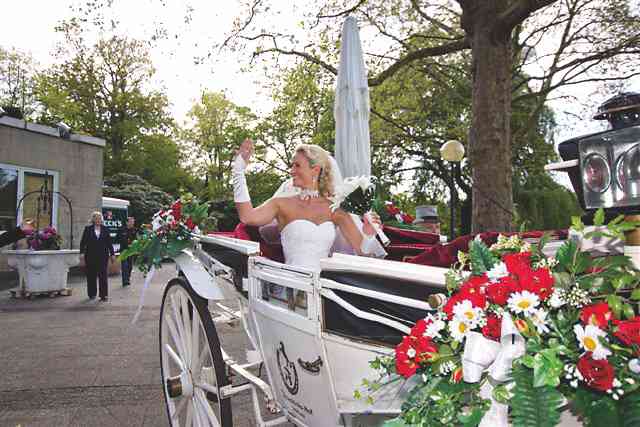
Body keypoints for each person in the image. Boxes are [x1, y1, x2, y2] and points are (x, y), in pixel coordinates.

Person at [233, 138, 384, 275]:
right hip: (291, 286)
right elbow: (247, 216)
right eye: (292, 165)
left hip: (323, 290)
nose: (291, 171)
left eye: (297, 165)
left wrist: (369, 235)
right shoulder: (281, 203)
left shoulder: (335, 210)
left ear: (315, 170)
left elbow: (364, 255)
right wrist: (238, 171)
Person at [80, 211, 115, 302]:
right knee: (91, 275)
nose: (98, 220)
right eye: (96, 218)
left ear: (101, 219)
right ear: (93, 219)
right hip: (90, 256)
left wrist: (112, 254)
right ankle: (92, 293)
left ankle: (103, 295)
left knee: (103, 276)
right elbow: (83, 243)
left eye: (99, 218)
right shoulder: (88, 229)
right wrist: (82, 254)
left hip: (103, 256)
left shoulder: (105, 229)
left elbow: (109, 243)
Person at [118, 216, 137, 287]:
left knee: (130, 266)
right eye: (131, 222)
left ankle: (127, 278)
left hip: (131, 251)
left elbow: (136, 239)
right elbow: (118, 238)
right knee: (124, 266)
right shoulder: (121, 229)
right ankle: (125, 281)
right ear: (127, 222)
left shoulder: (134, 230)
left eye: (133, 222)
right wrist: (125, 244)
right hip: (124, 250)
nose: (132, 223)